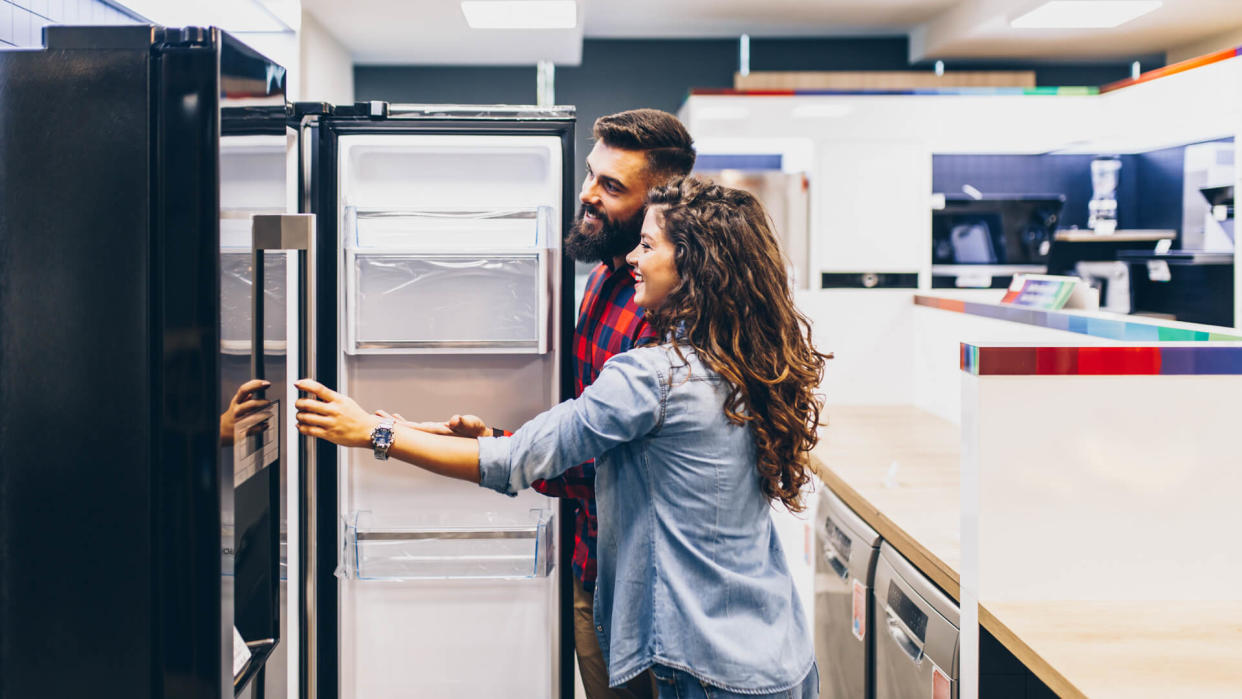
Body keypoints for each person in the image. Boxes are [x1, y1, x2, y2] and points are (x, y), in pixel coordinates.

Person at [295, 176, 828, 698]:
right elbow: (585, 452)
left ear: (694, 264)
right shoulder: (746, 361)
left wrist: (374, 434)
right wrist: (462, 434)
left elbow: (512, 462)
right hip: (778, 653)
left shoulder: (653, 377)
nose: (634, 260)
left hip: (703, 665)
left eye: (647, 245)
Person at [387, 108, 695, 699]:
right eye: (590, 174)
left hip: (648, 586)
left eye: (611, 186)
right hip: (591, 560)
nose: (587, 195)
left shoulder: (665, 321)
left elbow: (611, 461)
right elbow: (586, 427)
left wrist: (493, 448)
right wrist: (501, 439)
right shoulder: (607, 278)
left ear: (662, 204)